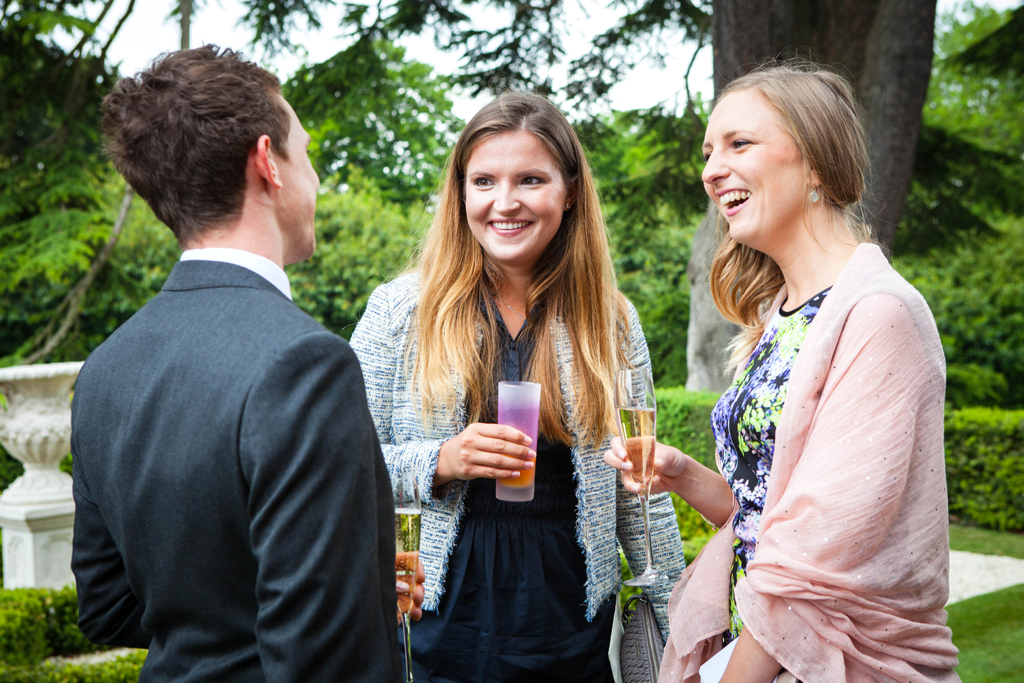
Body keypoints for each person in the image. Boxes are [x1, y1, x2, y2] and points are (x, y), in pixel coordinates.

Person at [605, 64, 961, 682]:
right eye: (709, 152)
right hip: (765, 651)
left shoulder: (879, 314)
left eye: (739, 144)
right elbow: (764, 518)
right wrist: (684, 474)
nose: (711, 170)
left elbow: (815, 558)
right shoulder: (781, 314)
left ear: (816, 163)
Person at [70, 46, 412, 681]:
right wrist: (336, 610)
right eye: (305, 153)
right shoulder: (308, 363)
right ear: (267, 162)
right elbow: (324, 661)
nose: (315, 179)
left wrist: (353, 590)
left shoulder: (104, 368)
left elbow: (108, 606)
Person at [350, 92, 686, 682]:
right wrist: (441, 461)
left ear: (570, 191)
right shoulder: (400, 311)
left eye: (530, 179)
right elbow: (343, 466)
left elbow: (639, 489)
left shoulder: (609, 318)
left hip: (569, 614)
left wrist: (678, 618)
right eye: (484, 181)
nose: (504, 203)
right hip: (441, 616)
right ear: (460, 193)